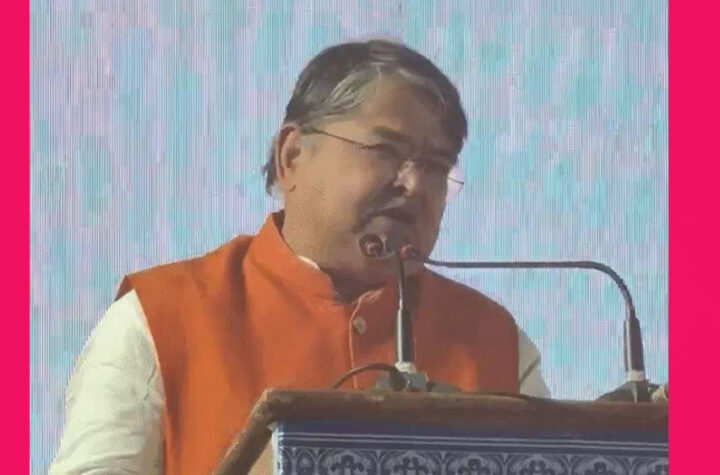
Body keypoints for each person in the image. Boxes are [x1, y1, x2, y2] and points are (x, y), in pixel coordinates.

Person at [49, 39, 549, 475]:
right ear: (292, 156)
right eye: (385, 151)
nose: (414, 184)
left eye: (436, 166)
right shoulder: (159, 320)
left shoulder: (494, 342)